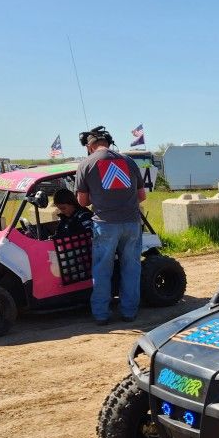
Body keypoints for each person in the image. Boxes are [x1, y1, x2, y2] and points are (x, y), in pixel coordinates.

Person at [75, 126, 146, 325]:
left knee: (102, 269)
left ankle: (101, 315)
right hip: (132, 223)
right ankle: (129, 312)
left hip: (105, 225)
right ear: (108, 141)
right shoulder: (129, 161)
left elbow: (82, 201)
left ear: (89, 147)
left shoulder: (86, 164)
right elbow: (142, 196)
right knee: (131, 267)